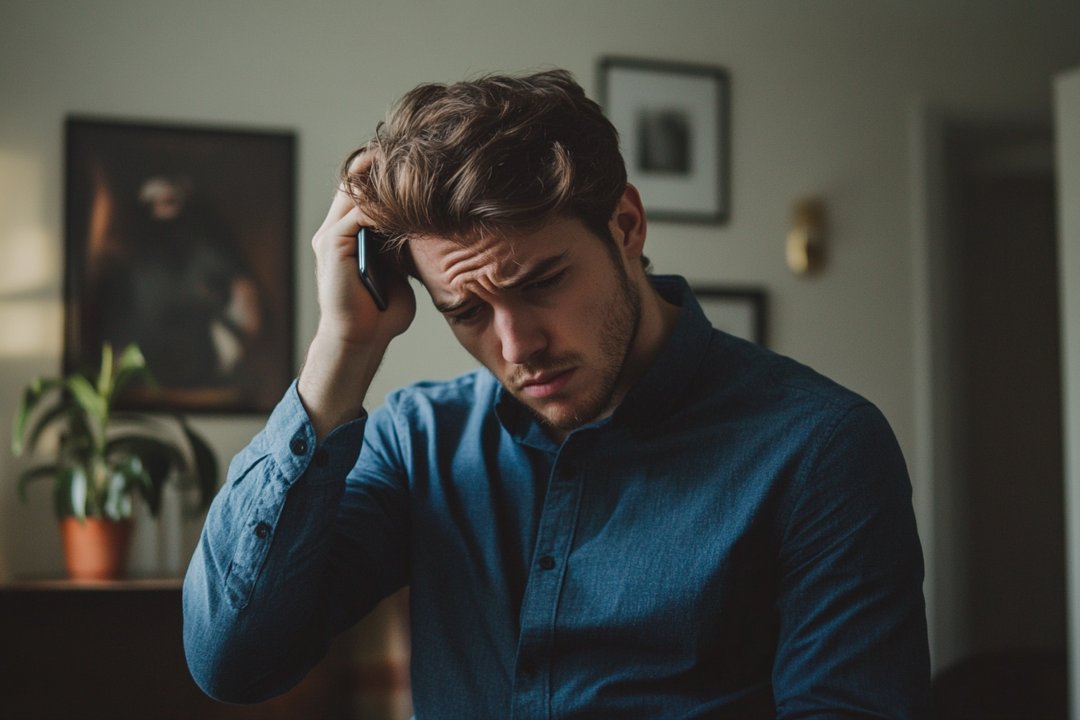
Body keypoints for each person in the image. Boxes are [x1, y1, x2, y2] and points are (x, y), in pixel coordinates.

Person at [182, 69, 931, 718]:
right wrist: (342, 349)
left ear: (627, 226)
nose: (516, 345)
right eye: (466, 312)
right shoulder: (419, 442)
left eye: (541, 284)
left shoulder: (821, 448)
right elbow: (236, 663)